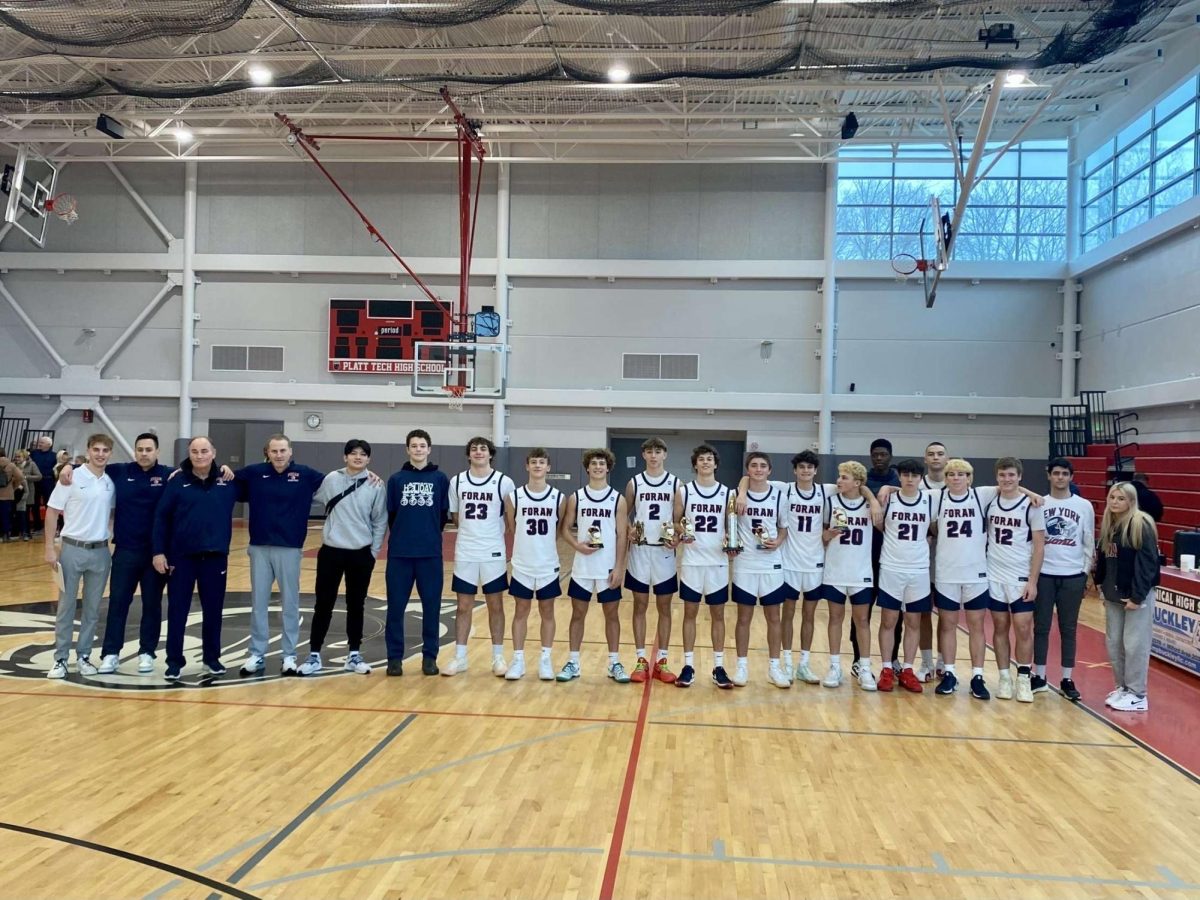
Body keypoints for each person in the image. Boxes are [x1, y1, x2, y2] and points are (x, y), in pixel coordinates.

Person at [60, 432, 171, 676]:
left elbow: (197, 470)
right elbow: (92, 465)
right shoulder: (120, 472)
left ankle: (147, 652)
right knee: (118, 603)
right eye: (140, 449)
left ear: (157, 452)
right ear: (134, 451)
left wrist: (224, 468)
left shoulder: (168, 475)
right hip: (125, 551)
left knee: (152, 604)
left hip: (155, 555)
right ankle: (111, 653)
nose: (144, 453)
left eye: (148, 449)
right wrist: (68, 465)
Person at [237, 434, 328, 677]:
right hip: (259, 547)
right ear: (267, 452)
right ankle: (256, 653)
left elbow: (337, 481)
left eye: (283, 450)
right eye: (274, 451)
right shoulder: (254, 473)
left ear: (290, 451)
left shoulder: (305, 474)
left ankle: (289, 655)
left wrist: (365, 475)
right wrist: (222, 468)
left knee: (290, 603)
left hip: (289, 548)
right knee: (258, 603)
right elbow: (224, 479)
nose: (278, 455)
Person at [299, 439, 387, 677]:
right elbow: (309, 495)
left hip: (361, 553)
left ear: (368, 459)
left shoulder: (376, 485)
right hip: (331, 552)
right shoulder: (331, 480)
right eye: (353, 453)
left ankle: (354, 654)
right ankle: (314, 655)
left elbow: (380, 520)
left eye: (363, 454)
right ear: (345, 457)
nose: (358, 457)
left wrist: (373, 551)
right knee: (323, 605)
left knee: (356, 605)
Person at [153, 436, 239, 681]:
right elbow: (161, 518)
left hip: (215, 558)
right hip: (181, 558)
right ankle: (174, 662)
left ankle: (212, 658)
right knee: (178, 611)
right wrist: (159, 551)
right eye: (194, 451)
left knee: (213, 611)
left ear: (213, 452)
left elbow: (257, 480)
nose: (199, 455)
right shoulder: (177, 481)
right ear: (189, 454)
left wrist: (230, 469)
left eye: (204, 451)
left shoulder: (228, 481)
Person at [442, 436, 516, 678]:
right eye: (474, 449)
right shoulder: (458, 481)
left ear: (490, 454)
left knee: (496, 605)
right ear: (468, 454)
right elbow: (455, 516)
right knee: (463, 606)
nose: (478, 452)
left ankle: (497, 656)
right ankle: (460, 657)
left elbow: (510, 517)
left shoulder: (504, 482)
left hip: (493, 552)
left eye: (483, 449)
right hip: (466, 551)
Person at [43, 434, 113, 678]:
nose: (100, 454)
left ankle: (83, 655)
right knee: (66, 606)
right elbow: (52, 512)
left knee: (93, 609)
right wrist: (50, 548)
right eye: (96, 449)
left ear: (110, 454)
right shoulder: (70, 477)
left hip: (101, 551)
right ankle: (60, 658)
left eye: (105, 450)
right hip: (72, 549)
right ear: (88, 450)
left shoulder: (110, 482)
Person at [558, 448, 629, 683]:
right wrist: (577, 546)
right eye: (594, 464)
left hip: (607, 566)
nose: (598, 467)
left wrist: (619, 567)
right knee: (578, 614)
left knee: (612, 615)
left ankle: (613, 662)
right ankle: (573, 662)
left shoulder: (618, 499)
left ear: (608, 468)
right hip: (583, 567)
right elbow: (565, 529)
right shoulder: (576, 497)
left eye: (602, 464)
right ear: (587, 468)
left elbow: (621, 535)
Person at [384, 428, 451, 677]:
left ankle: (430, 658)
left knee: (432, 608)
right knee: (395, 609)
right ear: (407, 449)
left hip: (430, 554)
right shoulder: (396, 479)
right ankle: (394, 658)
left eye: (422, 445)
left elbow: (443, 514)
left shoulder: (440, 479)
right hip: (400, 554)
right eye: (414, 445)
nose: (418, 449)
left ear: (429, 449)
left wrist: (428, 533)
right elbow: (391, 514)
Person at [673, 444, 736, 689]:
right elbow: (676, 521)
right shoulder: (684, 491)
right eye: (702, 459)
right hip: (692, 560)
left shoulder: (727, 493)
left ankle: (718, 666)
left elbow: (732, 524)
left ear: (716, 464)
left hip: (717, 562)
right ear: (695, 464)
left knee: (718, 614)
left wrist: (731, 540)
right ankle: (688, 665)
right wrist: (681, 531)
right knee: (690, 613)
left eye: (710, 459)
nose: (706, 462)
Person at [1095, 482, 1160, 712]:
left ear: (1131, 501)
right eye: (1112, 497)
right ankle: (1122, 687)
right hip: (1114, 594)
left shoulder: (1140, 523)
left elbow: (1148, 563)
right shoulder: (1110, 524)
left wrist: (1138, 595)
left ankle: (1138, 694)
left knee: (1135, 645)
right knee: (1114, 644)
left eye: (1121, 498)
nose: (1115, 502)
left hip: (1135, 596)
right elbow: (1105, 559)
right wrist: (1100, 584)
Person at [985, 457, 1045, 703]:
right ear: (997, 477)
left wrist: (1033, 581)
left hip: (1020, 575)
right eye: (1002, 475)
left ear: (1019, 476)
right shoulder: (990, 500)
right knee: (1000, 627)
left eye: (1011, 475)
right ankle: (1004, 678)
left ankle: (1023, 677)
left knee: (1022, 628)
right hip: (994, 574)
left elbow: (1040, 547)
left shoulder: (1032, 505)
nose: (1006, 479)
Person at [1035, 458, 1095, 701]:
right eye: (1056, 473)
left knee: (1068, 628)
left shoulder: (1084, 506)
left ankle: (1067, 678)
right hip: (1044, 574)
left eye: (1065, 474)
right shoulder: (1039, 503)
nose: (1060, 477)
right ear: (1049, 475)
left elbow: (1088, 539)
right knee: (1041, 626)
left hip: (1072, 575)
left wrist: (1085, 572)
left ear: (1071, 477)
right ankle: (1038, 676)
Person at [820, 461, 882, 690]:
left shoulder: (869, 505)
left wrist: (874, 500)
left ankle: (864, 667)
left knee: (862, 620)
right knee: (835, 618)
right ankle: (834, 666)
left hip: (861, 571)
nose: (839, 480)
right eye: (839, 476)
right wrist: (828, 534)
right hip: (835, 569)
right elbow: (823, 537)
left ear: (857, 482)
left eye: (844, 477)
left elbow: (883, 528)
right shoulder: (831, 501)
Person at [504, 448, 564, 681]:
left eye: (542, 462)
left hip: (548, 565)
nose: (538, 466)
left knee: (547, 611)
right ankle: (517, 660)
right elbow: (512, 527)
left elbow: (558, 531)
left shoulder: (559, 498)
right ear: (527, 466)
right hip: (522, 564)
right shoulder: (515, 497)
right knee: (521, 611)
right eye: (533, 462)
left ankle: (545, 660)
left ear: (548, 467)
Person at [874, 458, 933, 693]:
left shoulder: (931, 499)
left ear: (921, 478)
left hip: (918, 569)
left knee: (913, 621)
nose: (910, 479)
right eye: (905, 475)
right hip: (891, 567)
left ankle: (908, 669)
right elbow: (880, 525)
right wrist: (887, 489)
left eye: (914, 475)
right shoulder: (888, 500)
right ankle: (887, 668)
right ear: (900, 476)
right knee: (889, 620)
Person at [623, 437, 679, 684]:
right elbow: (624, 515)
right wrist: (628, 530)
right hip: (641, 551)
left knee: (664, 607)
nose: (654, 455)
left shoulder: (676, 483)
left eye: (658, 451)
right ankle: (640, 659)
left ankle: (662, 661)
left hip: (664, 552)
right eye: (649, 451)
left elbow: (680, 519)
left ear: (665, 454)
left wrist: (677, 537)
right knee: (640, 605)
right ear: (644, 455)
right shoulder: (635, 482)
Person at [732, 452, 790, 688]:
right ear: (748, 470)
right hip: (745, 563)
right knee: (743, 617)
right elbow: (730, 524)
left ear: (769, 471)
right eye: (754, 465)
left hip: (771, 564)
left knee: (773, 617)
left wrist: (778, 542)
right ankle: (742, 667)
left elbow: (783, 528)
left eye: (763, 466)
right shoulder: (736, 496)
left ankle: (774, 668)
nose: (758, 469)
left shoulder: (779, 496)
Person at [778, 450, 830, 685]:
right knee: (787, 613)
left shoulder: (824, 491)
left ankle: (804, 664)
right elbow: (751, 478)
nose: (806, 471)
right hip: (789, 562)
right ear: (795, 470)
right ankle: (787, 662)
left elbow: (857, 485)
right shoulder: (785, 489)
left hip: (815, 563)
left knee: (809, 615)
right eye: (802, 467)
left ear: (815, 470)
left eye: (810, 467)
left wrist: (873, 497)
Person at [852, 438, 902, 675]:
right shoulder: (864, 480)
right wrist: (871, 497)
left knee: (894, 611)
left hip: (893, 555)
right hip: (865, 555)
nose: (879, 458)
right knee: (862, 610)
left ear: (890, 456)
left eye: (883, 454)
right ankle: (857, 658)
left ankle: (892, 659)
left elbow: (916, 492)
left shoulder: (899, 480)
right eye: (875, 454)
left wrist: (890, 489)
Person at [29, 435, 56, 532]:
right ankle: (37, 526)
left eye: (42, 442)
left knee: (48, 504)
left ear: (49, 444)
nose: (39, 444)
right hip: (35, 481)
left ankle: (50, 526)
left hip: (48, 481)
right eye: (39, 442)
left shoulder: (54, 455)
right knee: (34, 503)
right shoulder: (34, 453)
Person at [0, 447, 27, 543]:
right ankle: (6, 535)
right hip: (7, 494)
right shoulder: (11, 465)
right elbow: (20, 477)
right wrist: (14, 486)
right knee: (6, 515)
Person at [13, 449, 41, 541]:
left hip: (28, 492)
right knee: (17, 513)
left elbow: (39, 476)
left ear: (24, 457)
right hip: (16, 492)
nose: (17, 458)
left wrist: (25, 477)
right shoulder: (13, 465)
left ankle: (27, 533)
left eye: (19, 457)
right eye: (16, 456)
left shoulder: (31, 464)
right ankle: (16, 532)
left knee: (26, 513)